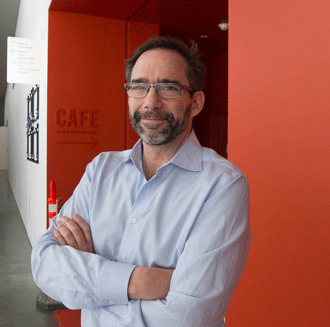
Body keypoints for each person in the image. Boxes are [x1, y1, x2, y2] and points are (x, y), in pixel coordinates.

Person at [31, 36, 251, 327]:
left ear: (195, 102)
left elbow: (187, 318)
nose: (151, 101)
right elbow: (45, 263)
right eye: (139, 86)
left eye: (168, 87)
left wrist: (96, 278)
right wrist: (143, 280)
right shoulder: (101, 170)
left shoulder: (223, 185)